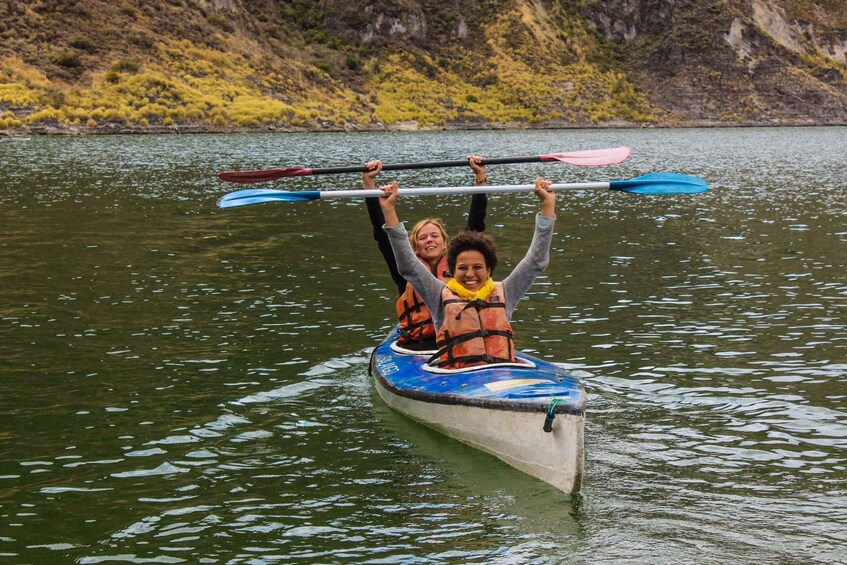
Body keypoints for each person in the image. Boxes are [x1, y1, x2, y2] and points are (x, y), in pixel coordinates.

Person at [377, 177, 556, 369]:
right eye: (462, 268)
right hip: (457, 378)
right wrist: (389, 209)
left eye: (477, 267)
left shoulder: (506, 291)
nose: (470, 274)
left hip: (502, 372)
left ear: (488, 270)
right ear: (452, 270)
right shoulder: (438, 296)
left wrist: (548, 204)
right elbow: (408, 266)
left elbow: (535, 262)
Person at [363, 157, 488, 350]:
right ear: (414, 249)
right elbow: (383, 234)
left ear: (445, 244)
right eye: (422, 238)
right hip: (418, 346)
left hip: (458, 341)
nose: (429, 240)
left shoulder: (459, 267)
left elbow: (475, 228)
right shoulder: (404, 270)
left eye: (434, 236)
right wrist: (369, 184)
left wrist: (480, 178)